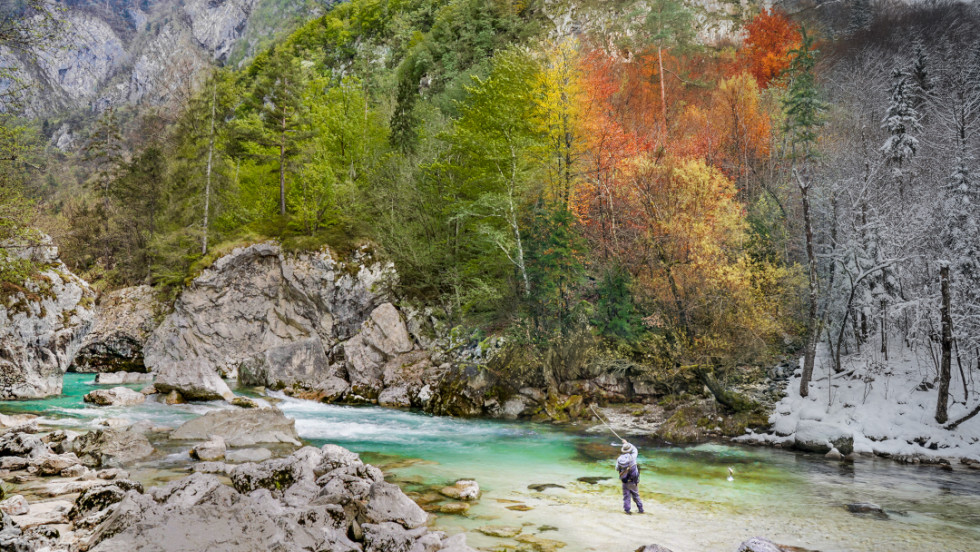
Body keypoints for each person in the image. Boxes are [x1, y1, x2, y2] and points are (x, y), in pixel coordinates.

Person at [616, 439, 644, 515]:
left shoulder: (619, 459)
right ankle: (640, 509)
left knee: (626, 496)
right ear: (629, 450)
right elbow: (635, 450)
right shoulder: (633, 458)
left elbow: (617, 469)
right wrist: (627, 443)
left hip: (624, 480)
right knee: (636, 495)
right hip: (633, 481)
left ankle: (627, 510)